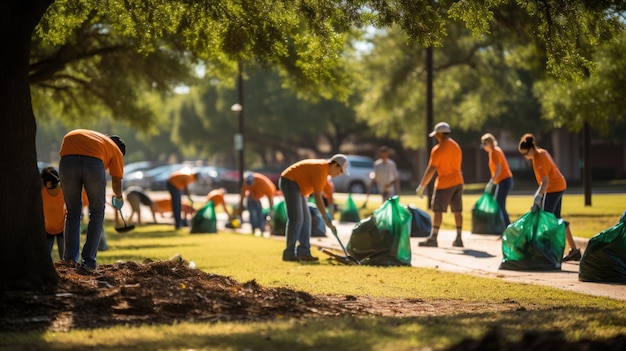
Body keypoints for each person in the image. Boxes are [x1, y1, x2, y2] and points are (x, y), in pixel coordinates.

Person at [59, 129, 126, 270]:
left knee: (72, 212)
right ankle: (88, 262)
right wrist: (118, 197)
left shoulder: (100, 140)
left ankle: (69, 261)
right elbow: (116, 181)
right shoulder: (116, 151)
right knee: (97, 212)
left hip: (67, 158)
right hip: (93, 163)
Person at [518, 133, 581, 262]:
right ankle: (574, 251)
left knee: (546, 220)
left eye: (525, 153)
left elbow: (545, 181)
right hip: (557, 186)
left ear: (531, 149)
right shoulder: (541, 153)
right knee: (556, 219)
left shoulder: (539, 157)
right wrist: (538, 195)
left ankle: (547, 252)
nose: (525, 157)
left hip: (554, 188)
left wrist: (538, 197)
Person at [279, 154, 349, 261]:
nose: (339, 174)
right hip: (290, 182)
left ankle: (304, 252)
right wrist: (325, 217)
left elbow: (328, 194)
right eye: (340, 171)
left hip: (299, 187)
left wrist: (330, 214)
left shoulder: (325, 174)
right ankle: (289, 253)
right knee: (296, 219)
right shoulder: (320, 169)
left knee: (307, 219)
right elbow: (317, 197)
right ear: (335, 165)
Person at [415, 122, 465, 248]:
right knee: (457, 211)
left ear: (440, 134)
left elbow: (431, 169)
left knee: (438, 211)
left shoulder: (438, 149)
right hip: (458, 181)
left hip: (444, 184)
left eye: (436, 135)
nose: (436, 137)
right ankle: (459, 238)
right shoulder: (456, 146)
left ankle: (434, 238)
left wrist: (422, 186)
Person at [480, 133, 514, 227]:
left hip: (504, 180)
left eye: (484, 144)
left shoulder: (495, 152)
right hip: (503, 181)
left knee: (499, 203)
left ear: (489, 143)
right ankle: (504, 225)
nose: (483, 147)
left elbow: (498, 169)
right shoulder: (494, 152)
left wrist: (491, 182)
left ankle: (507, 226)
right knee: (499, 203)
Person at [41, 167, 65, 259]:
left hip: (62, 228)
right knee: (45, 258)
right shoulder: (41, 193)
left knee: (65, 259)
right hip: (47, 229)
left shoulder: (63, 191)